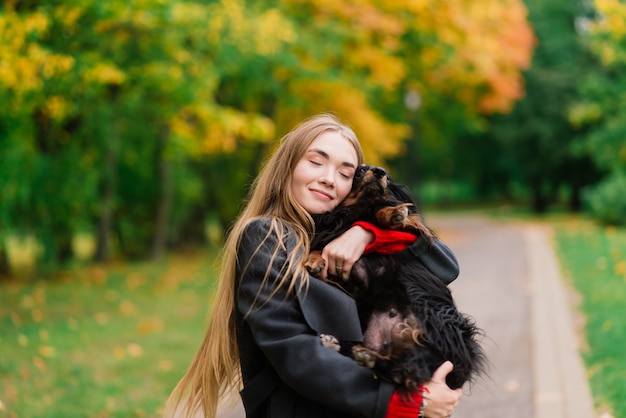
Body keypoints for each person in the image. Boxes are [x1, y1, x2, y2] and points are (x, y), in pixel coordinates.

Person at [166, 114, 463, 418]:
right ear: (288, 167)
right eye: (316, 162)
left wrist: (369, 234)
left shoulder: (345, 238)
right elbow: (293, 349)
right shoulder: (267, 235)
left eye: (345, 173)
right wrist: (408, 401)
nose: (329, 178)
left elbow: (444, 268)